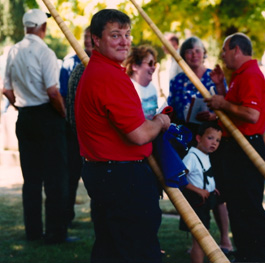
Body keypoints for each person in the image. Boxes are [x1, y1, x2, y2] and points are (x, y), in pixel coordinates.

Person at [74, 9, 170, 263]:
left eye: (127, 34)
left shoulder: (102, 70)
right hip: (122, 178)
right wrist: (160, 121)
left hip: (109, 175)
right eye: (115, 35)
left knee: (112, 249)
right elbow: (138, 134)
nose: (124, 41)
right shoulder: (108, 76)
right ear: (96, 39)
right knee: (139, 251)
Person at [2, 9, 70, 244]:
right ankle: (55, 233)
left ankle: (33, 232)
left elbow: (6, 89)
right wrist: (63, 114)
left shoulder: (13, 51)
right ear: (43, 27)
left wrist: (20, 107)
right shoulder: (46, 52)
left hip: (26, 117)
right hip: (47, 116)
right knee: (55, 178)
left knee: (31, 180)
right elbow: (52, 91)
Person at [205, 32, 265, 263]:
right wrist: (221, 89)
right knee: (238, 205)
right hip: (236, 147)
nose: (222, 55)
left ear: (237, 50)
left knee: (248, 206)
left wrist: (222, 102)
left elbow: (251, 115)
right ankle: (245, 254)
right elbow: (237, 109)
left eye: (225, 50)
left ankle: (257, 257)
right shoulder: (239, 75)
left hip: (246, 148)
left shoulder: (250, 75)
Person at [167, 36, 232, 253]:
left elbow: (224, 104)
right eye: (190, 51)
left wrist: (212, 114)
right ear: (183, 55)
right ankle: (197, 242)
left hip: (212, 135)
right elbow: (172, 108)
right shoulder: (177, 80)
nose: (194, 54)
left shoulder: (213, 77)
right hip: (189, 135)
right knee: (194, 187)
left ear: (204, 53)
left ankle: (225, 239)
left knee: (216, 188)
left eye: (198, 50)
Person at [62, 27, 93, 227]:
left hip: (89, 135)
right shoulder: (73, 64)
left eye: (91, 39)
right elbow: (64, 96)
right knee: (71, 176)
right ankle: (66, 216)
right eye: (86, 39)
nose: (88, 43)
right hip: (75, 133)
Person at [179, 121, 222, 263]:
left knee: (203, 237)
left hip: (205, 201)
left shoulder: (204, 154)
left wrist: (210, 187)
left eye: (217, 140)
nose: (214, 143)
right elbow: (180, 178)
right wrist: (198, 190)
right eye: (210, 138)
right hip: (196, 201)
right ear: (198, 138)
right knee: (200, 239)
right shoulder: (191, 156)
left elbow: (201, 174)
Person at [124, 45, 159, 120]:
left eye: (154, 64)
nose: (153, 68)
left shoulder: (152, 88)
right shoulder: (127, 89)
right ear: (135, 66)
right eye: (150, 63)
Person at [59, 26, 92, 101]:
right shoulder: (69, 62)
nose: (87, 41)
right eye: (85, 37)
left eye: (90, 37)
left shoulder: (107, 62)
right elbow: (63, 93)